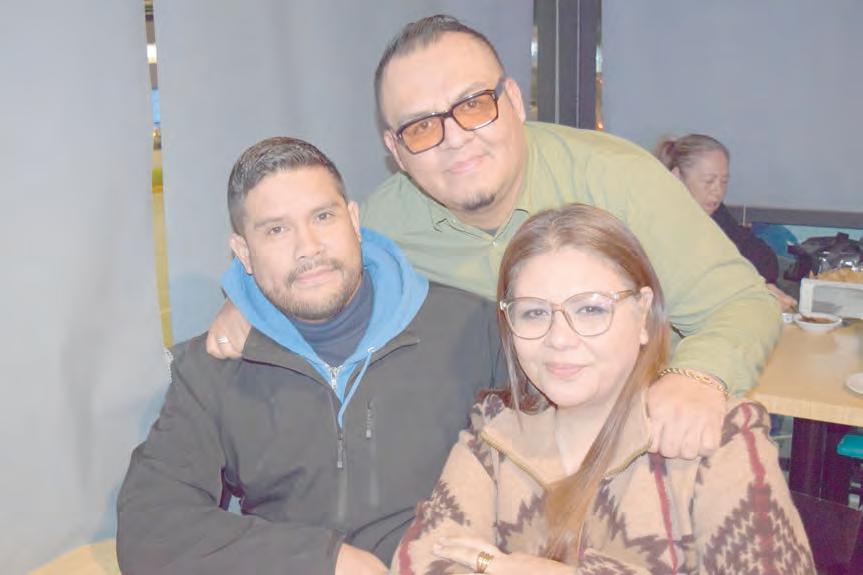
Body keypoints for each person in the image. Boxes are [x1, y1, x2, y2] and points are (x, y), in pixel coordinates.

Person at [206, 15, 781, 460]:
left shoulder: (619, 179)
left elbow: (742, 303)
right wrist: (246, 300)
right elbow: (311, 270)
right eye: (422, 126)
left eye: (473, 105)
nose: (455, 138)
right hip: (495, 464)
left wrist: (696, 376)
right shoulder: (385, 224)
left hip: (635, 446)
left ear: (512, 101)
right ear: (396, 151)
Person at [116, 137, 505, 575]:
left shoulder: (473, 328)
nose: (309, 247)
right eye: (276, 230)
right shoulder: (212, 371)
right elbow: (150, 527)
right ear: (243, 253)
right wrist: (325, 561)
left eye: (323, 216)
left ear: (353, 220)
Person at [392, 204, 813, 574]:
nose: (559, 338)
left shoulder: (716, 438)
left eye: (590, 309)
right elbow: (423, 561)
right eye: (534, 313)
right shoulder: (494, 437)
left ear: (643, 314)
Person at [655, 133, 796, 311]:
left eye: (724, 181)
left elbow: (766, 264)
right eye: (709, 181)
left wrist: (756, 287)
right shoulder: (658, 222)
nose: (718, 191)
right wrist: (747, 289)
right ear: (676, 177)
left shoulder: (715, 213)